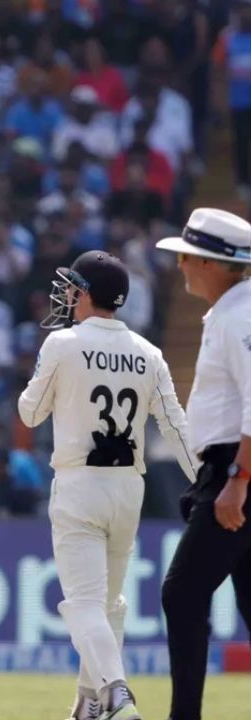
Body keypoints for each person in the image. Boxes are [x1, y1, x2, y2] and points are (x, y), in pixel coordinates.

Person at [18, 250, 197, 720]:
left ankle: (117, 695)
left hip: (80, 484)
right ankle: (89, 704)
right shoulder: (149, 352)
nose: (67, 295)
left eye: (73, 286)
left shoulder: (62, 344)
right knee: (110, 605)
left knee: (83, 604)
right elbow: (176, 427)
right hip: (127, 490)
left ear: (85, 292)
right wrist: (205, 480)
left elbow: (29, 413)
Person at [154, 208, 251, 720]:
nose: (181, 266)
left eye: (187, 257)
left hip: (236, 471)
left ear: (211, 263)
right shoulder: (234, 312)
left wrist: (236, 479)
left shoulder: (240, 316)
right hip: (232, 470)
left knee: (183, 593)